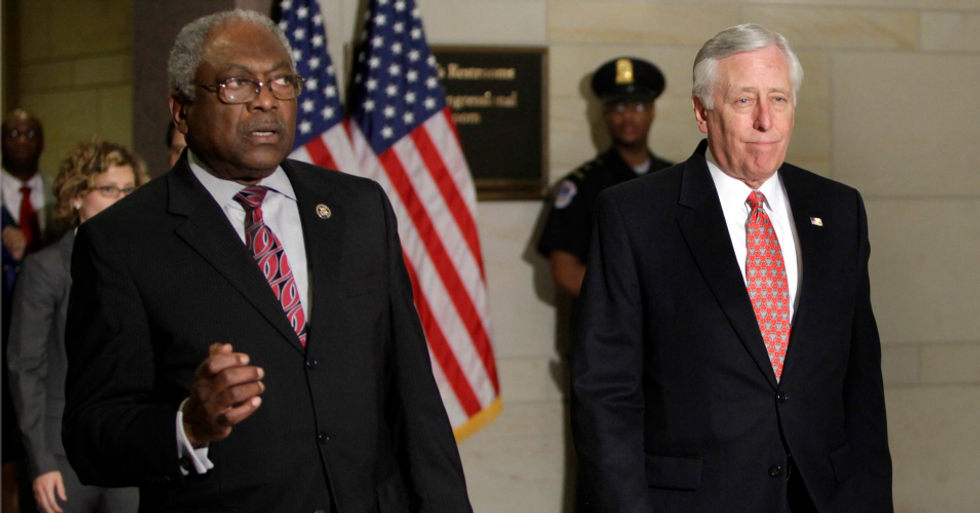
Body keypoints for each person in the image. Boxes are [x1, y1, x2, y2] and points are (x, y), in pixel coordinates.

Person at [62, 10, 471, 513]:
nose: (265, 99)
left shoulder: (358, 207)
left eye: (282, 81)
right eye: (237, 83)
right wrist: (189, 424)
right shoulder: (122, 240)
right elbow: (91, 435)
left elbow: (413, 395)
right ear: (181, 109)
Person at [571, 24, 892, 512]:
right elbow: (606, 393)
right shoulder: (635, 215)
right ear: (703, 113)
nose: (766, 120)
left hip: (822, 497)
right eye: (745, 101)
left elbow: (861, 380)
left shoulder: (839, 209)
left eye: (779, 99)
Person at [8, 139, 147, 513]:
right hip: (61, 455)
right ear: (75, 197)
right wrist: (41, 462)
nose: (121, 199)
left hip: (126, 451)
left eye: (129, 190)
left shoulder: (144, 268)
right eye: (107, 189)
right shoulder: (46, 268)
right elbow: (25, 370)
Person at [537, 57, 673, 297]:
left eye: (638, 107)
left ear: (652, 112)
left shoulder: (676, 179)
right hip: (609, 326)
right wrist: (635, 296)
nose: (628, 116)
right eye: (618, 107)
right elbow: (565, 273)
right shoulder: (581, 185)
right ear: (604, 115)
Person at [1, 109, 59, 513]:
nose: (22, 140)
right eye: (14, 133)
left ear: (42, 142)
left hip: (49, 346)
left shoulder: (59, 201)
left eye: (31, 133)